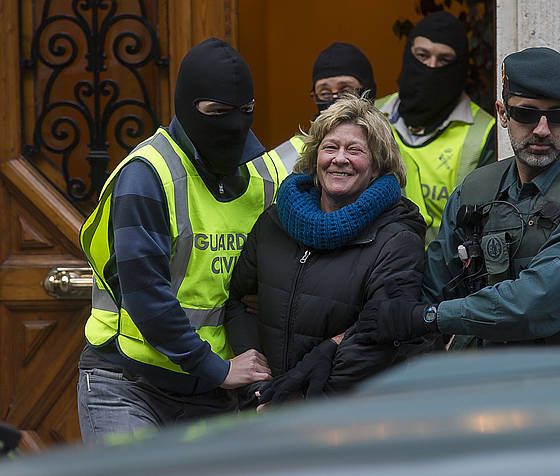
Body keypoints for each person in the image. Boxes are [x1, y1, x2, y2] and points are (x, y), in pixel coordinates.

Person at [357, 47, 560, 350]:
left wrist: (429, 317)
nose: (542, 129)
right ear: (503, 113)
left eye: (557, 115)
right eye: (526, 114)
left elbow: (538, 300)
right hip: (487, 384)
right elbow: (431, 285)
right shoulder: (476, 190)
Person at [77, 38, 285, 441]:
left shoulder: (268, 176)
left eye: (245, 113)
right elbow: (145, 294)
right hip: (127, 383)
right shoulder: (148, 173)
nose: (234, 125)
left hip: (214, 393)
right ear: (188, 107)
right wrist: (216, 368)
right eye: (217, 113)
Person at [226, 94, 426, 408]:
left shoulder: (397, 240)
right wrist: (257, 383)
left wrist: (301, 399)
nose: (340, 158)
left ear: (376, 167)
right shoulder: (274, 223)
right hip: (266, 408)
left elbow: (376, 340)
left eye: (355, 150)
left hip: (344, 419)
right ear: (315, 158)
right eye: (330, 147)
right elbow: (238, 302)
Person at [375, 11, 496, 244]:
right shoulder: (372, 116)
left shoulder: (485, 133)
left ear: (459, 66)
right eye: (422, 55)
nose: (431, 67)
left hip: (445, 275)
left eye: (444, 60)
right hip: (375, 270)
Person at [268, 42, 377, 174]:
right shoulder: (291, 155)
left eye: (346, 90)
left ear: (368, 91)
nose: (335, 100)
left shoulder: (392, 145)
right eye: (324, 92)